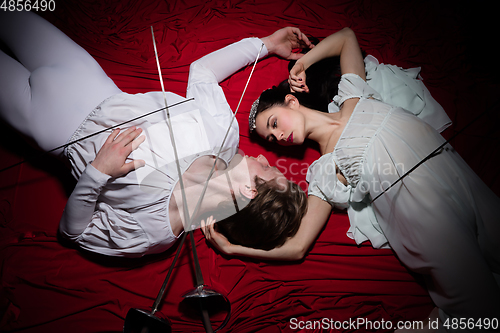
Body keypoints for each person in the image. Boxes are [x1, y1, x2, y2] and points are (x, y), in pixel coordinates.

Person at [202, 27, 500, 328]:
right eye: (273, 137)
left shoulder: (351, 97)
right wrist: (232, 248)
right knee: (480, 308)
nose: (280, 135)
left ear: (291, 101)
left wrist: (301, 64)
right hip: (423, 211)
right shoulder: (324, 170)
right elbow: (298, 246)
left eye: (274, 122)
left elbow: (346, 38)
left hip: (450, 168)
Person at [0, 11, 310, 257]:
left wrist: (97, 172)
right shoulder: (224, 136)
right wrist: (266, 44)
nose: (260, 156)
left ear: (249, 191)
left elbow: (73, 233)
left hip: (49, 125)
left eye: (267, 169)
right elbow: (202, 72)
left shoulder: (157, 231)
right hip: (84, 75)